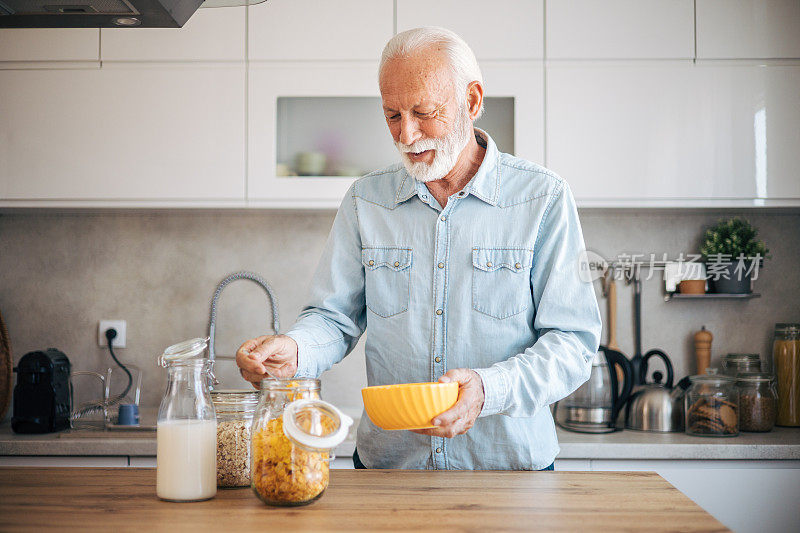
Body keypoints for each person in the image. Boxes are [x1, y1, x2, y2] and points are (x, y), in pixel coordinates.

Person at [237, 27, 602, 470]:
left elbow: (572, 343)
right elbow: (334, 319)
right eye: (392, 115)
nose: (407, 135)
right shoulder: (366, 201)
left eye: (424, 112)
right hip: (390, 470)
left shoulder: (541, 198)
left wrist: (489, 389)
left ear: (471, 101)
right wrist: (294, 350)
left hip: (510, 474)